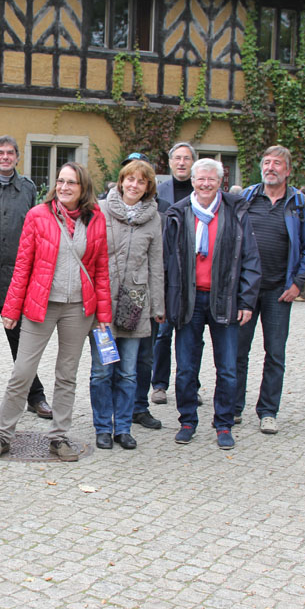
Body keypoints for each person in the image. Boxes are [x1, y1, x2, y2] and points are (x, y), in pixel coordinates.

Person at [0, 162, 111, 462]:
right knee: (22, 372)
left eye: (72, 183)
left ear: (83, 188)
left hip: (78, 308)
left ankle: (59, 437)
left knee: (67, 374)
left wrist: (103, 317)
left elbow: (101, 270)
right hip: (41, 305)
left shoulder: (96, 219)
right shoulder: (38, 215)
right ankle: (2, 435)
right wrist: (11, 308)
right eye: (61, 181)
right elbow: (22, 265)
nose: (64, 187)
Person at [162, 158, 260, 450]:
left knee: (228, 368)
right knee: (186, 368)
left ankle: (224, 424)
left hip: (225, 299)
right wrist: (165, 301)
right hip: (188, 300)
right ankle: (187, 421)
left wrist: (246, 300)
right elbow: (165, 261)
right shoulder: (178, 213)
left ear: (220, 182)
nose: (205, 184)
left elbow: (250, 258)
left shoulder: (235, 212)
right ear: (192, 181)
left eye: (211, 179)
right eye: (200, 179)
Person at [234, 146, 305, 434]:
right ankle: (234, 407)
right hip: (246, 290)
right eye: (267, 162)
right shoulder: (245, 198)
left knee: (275, 354)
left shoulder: (300, 204)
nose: (270, 167)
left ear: (288, 170)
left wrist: (298, 283)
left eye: (277, 163)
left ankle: (268, 411)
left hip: (279, 291)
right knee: (237, 351)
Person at [90, 159, 164, 451]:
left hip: (135, 305)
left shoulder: (154, 219)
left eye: (141, 181)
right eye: (130, 179)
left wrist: (158, 306)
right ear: (121, 181)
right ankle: (102, 427)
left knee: (128, 372)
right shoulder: (100, 210)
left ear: (148, 187)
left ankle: (122, 428)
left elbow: (156, 264)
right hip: (104, 304)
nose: (134, 185)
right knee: (102, 370)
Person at [135, 142, 198, 430]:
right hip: (143, 284)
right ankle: (156, 386)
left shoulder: (195, 194)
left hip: (181, 278)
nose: (182, 162)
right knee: (155, 340)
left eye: (187, 158)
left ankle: (188, 386)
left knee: (188, 337)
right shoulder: (156, 195)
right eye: (177, 158)